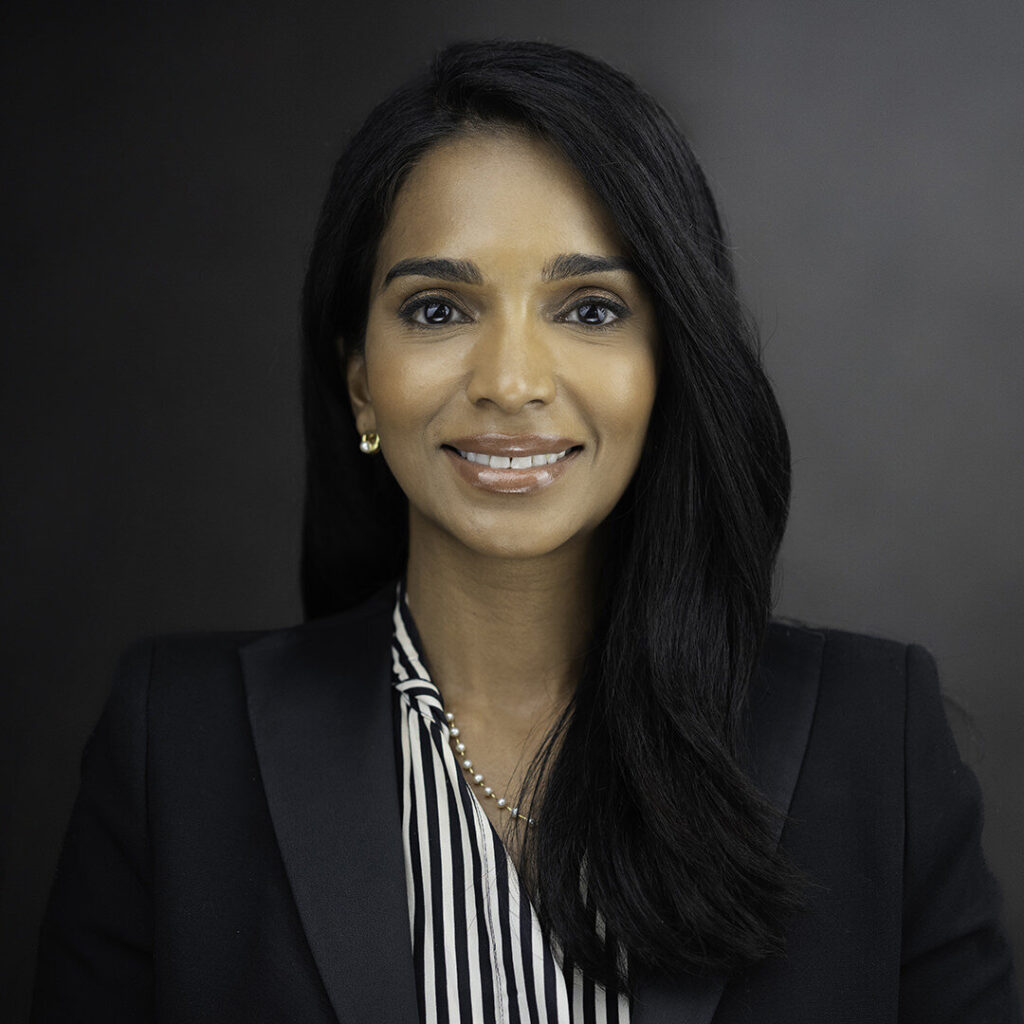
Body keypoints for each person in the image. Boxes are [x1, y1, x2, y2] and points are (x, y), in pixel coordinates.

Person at [30, 38, 1020, 1024]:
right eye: (436, 309)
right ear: (359, 379)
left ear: (668, 364)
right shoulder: (178, 748)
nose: (510, 381)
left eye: (589, 309)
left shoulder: (874, 738)